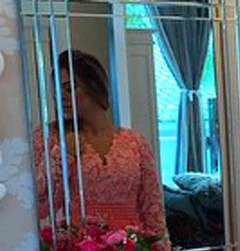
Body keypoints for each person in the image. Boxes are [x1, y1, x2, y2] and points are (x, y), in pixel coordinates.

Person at [33, 50, 166, 235]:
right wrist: (63, 155)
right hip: (78, 248)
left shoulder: (135, 143)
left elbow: (153, 211)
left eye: (70, 88)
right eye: (57, 91)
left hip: (132, 249)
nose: (61, 97)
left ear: (95, 87)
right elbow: (39, 207)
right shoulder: (50, 137)